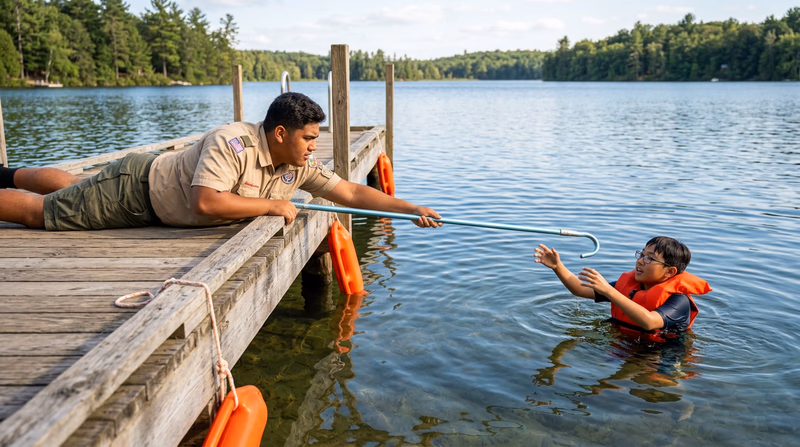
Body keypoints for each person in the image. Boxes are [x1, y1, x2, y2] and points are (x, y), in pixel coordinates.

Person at [0, 92, 442, 231]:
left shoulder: (297, 163)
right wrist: (273, 206)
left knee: (71, 188)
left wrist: (410, 209)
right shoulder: (233, 142)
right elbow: (205, 204)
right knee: (45, 214)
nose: (314, 148)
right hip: (136, 192)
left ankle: (4, 173)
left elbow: (349, 190)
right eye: (309, 138)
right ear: (280, 133)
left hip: (149, 190)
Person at [534, 236, 711, 342]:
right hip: (624, 342)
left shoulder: (679, 300)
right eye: (641, 254)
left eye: (650, 258)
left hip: (663, 353)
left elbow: (649, 322)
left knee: (656, 387)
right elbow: (579, 290)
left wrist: (609, 291)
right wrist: (557, 266)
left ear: (670, 272)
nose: (640, 261)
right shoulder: (629, 285)